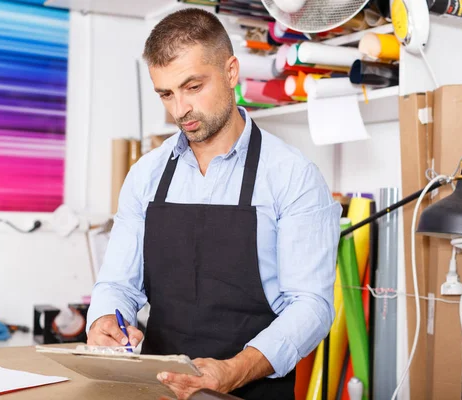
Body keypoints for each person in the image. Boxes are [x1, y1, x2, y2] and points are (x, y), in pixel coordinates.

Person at [86, 8, 342, 400]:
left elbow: (310, 307)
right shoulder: (146, 175)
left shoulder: (293, 176)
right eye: (166, 94)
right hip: (163, 388)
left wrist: (233, 371)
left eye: (192, 87)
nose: (179, 110)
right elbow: (120, 282)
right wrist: (105, 317)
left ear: (231, 71)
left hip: (250, 389)